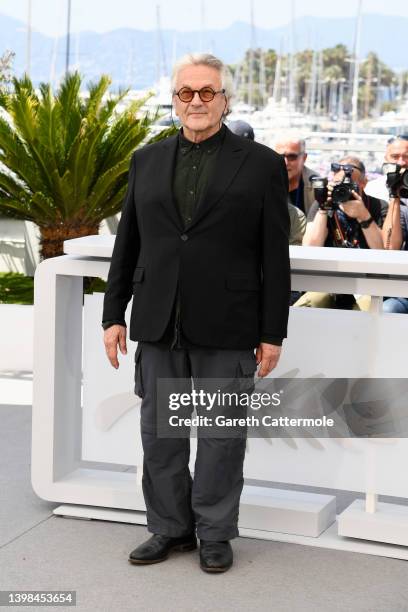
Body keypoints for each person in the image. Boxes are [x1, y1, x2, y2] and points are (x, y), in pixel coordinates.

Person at [102, 53, 290, 573]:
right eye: (187, 92)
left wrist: (273, 331)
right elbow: (128, 245)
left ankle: (214, 532)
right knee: (160, 435)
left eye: (208, 92)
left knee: (220, 437)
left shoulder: (262, 165)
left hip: (229, 323)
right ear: (175, 100)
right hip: (158, 321)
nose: (197, 101)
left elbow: (275, 256)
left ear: (225, 100)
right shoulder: (147, 160)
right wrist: (112, 313)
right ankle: (168, 527)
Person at [295, 156, 386, 310]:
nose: (344, 190)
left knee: (369, 310)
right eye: (338, 184)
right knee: (310, 304)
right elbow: (310, 247)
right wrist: (324, 209)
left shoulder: (378, 206)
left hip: (365, 283)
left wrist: (364, 216)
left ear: (364, 183)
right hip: (329, 280)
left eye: (350, 185)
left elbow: (382, 250)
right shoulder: (323, 204)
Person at [368, 135, 408, 313]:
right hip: (384, 275)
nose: (401, 162)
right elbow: (389, 247)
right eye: (395, 157)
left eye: (406, 156)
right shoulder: (373, 189)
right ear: (385, 159)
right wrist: (394, 195)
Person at [273, 135, 317, 215]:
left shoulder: (316, 185)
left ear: (304, 158)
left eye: (291, 157)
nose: (285, 163)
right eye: (279, 156)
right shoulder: (263, 182)